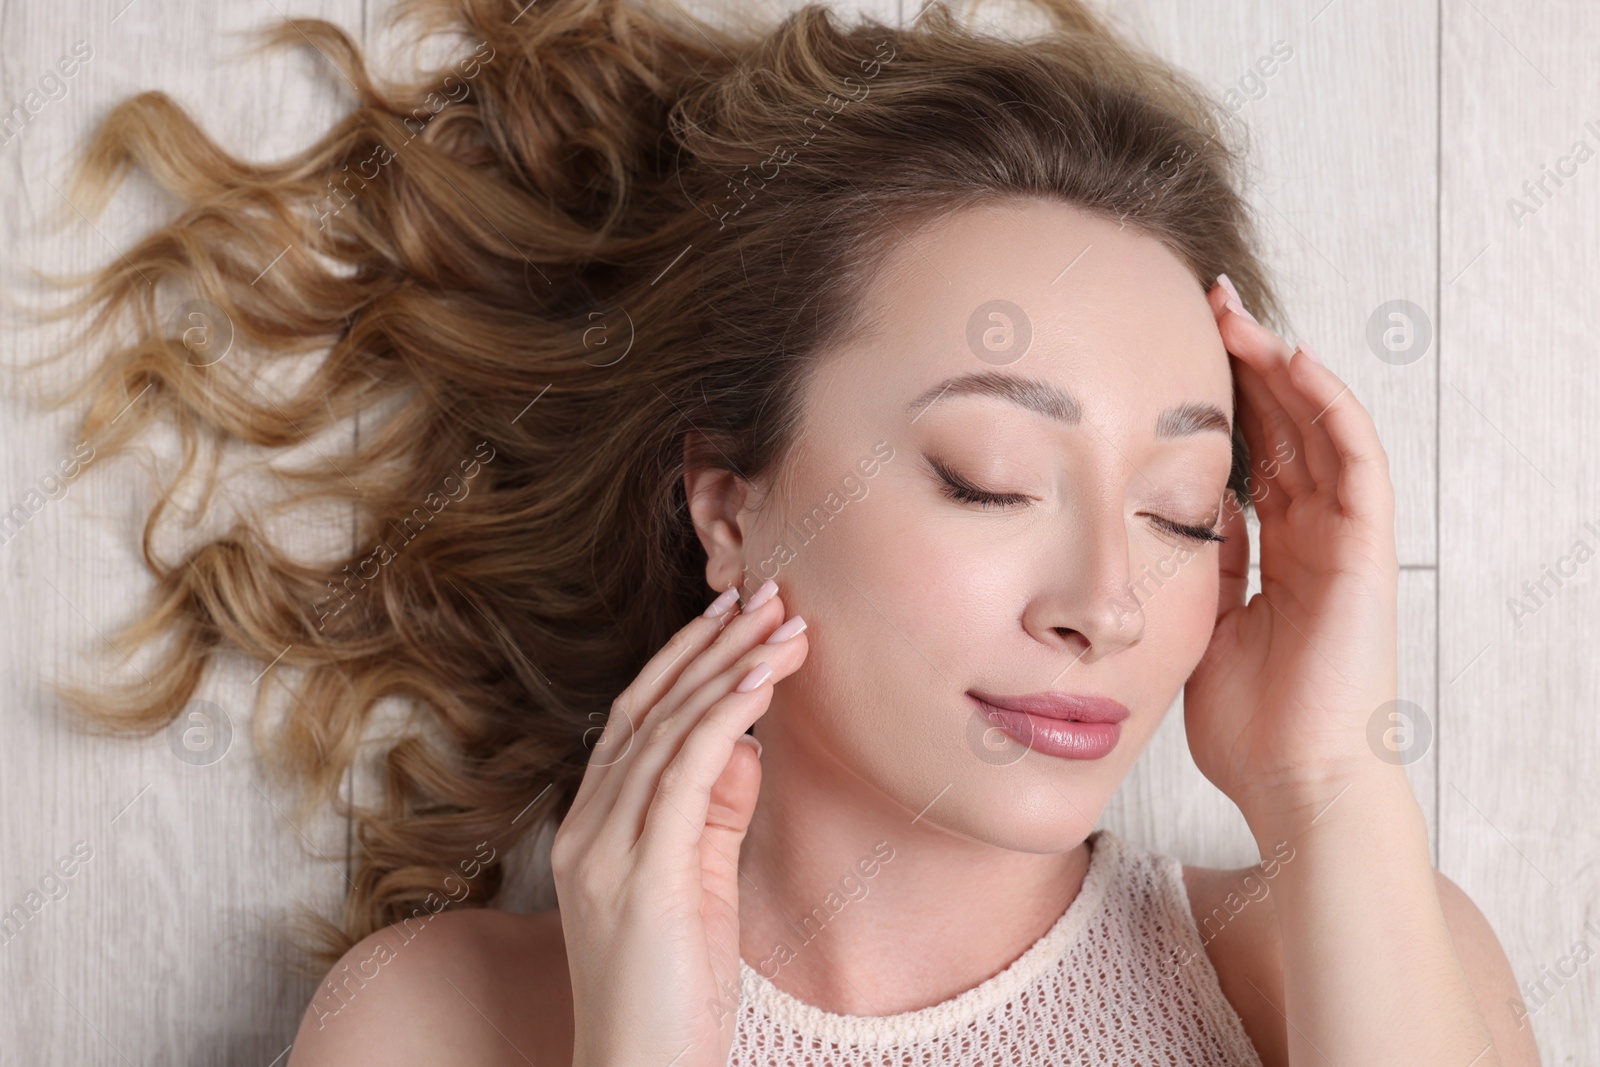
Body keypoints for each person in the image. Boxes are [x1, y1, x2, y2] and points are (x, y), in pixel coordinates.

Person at [31, 0, 1535, 1063]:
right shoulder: (442, 1028)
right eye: (988, 475)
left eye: (1183, 513)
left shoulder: (1343, 954)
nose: (1110, 604)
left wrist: (1328, 784)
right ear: (731, 505)